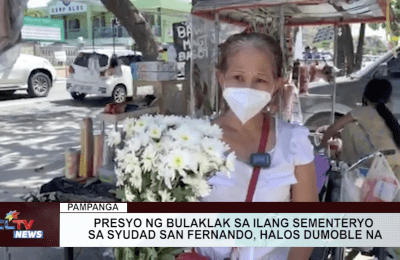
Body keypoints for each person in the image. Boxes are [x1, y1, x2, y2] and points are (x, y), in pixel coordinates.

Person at [190, 32, 318, 260]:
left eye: (260, 80)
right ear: (221, 78)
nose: (247, 88)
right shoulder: (192, 139)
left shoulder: (294, 143)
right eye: (238, 77)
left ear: (277, 84)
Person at [321, 78, 400, 180]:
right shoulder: (389, 115)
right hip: (396, 165)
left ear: (366, 96)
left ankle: (349, 169)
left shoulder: (363, 111)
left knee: (349, 128)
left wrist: (322, 146)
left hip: (379, 163)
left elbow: (334, 128)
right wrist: (338, 135)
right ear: (388, 98)